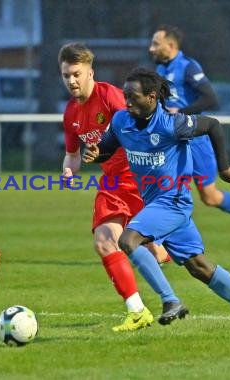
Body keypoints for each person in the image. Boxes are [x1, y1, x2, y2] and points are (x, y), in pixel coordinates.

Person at [83, 68, 230, 339]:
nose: (126, 102)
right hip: (156, 204)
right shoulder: (121, 120)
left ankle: (170, 300)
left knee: (128, 241)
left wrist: (223, 168)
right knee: (199, 267)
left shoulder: (171, 124)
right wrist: (92, 153)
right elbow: (105, 149)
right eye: (125, 96)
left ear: (152, 97)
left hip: (173, 202)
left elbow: (212, 125)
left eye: (133, 96)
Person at [59, 42, 185, 333]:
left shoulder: (112, 98)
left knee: (157, 251)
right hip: (113, 184)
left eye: (77, 74)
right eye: (66, 75)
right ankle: (137, 311)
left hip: (142, 179)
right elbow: (74, 154)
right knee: (105, 241)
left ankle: (163, 253)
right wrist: (68, 169)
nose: (71, 81)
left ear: (91, 72)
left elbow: (146, 125)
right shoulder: (70, 114)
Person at [149, 25, 230, 241]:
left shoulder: (188, 67)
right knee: (165, 192)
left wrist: (180, 112)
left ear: (170, 46)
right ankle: (158, 249)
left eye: (155, 44)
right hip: (171, 142)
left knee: (209, 197)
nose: (151, 49)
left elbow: (211, 99)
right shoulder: (160, 70)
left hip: (195, 140)